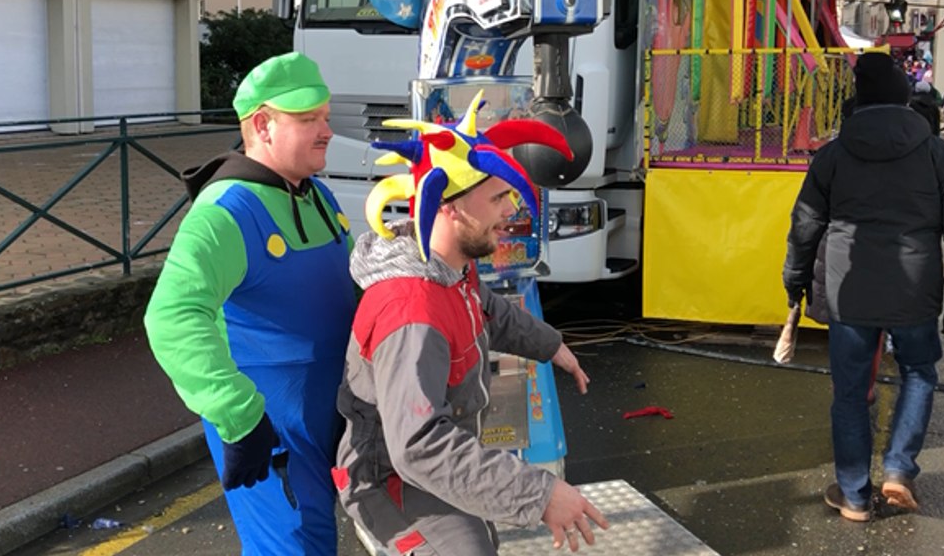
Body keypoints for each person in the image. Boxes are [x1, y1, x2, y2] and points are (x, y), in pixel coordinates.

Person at [335, 93, 609, 554]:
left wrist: (550, 345)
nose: (511, 210)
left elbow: (485, 308)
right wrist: (540, 494)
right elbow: (419, 444)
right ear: (448, 206)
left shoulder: (451, 269)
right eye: (499, 197)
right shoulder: (412, 312)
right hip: (391, 481)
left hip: (425, 464)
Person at [143, 52, 355, 554]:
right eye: (308, 119)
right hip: (269, 426)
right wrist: (238, 416)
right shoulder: (225, 212)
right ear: (262, 125)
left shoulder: (317, 197)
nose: (327, 131)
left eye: (326, 117)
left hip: (332, 415)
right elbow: (172, 317)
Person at [783, 52, 944, 522]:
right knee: (919, 372)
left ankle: (854, 494)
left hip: (849, 286)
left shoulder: (833, 154)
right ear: (904, 99)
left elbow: (805, 224)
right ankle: (898, 470)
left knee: (850, 391)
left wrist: (795, 280)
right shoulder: (937, 153)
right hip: (915, 285)